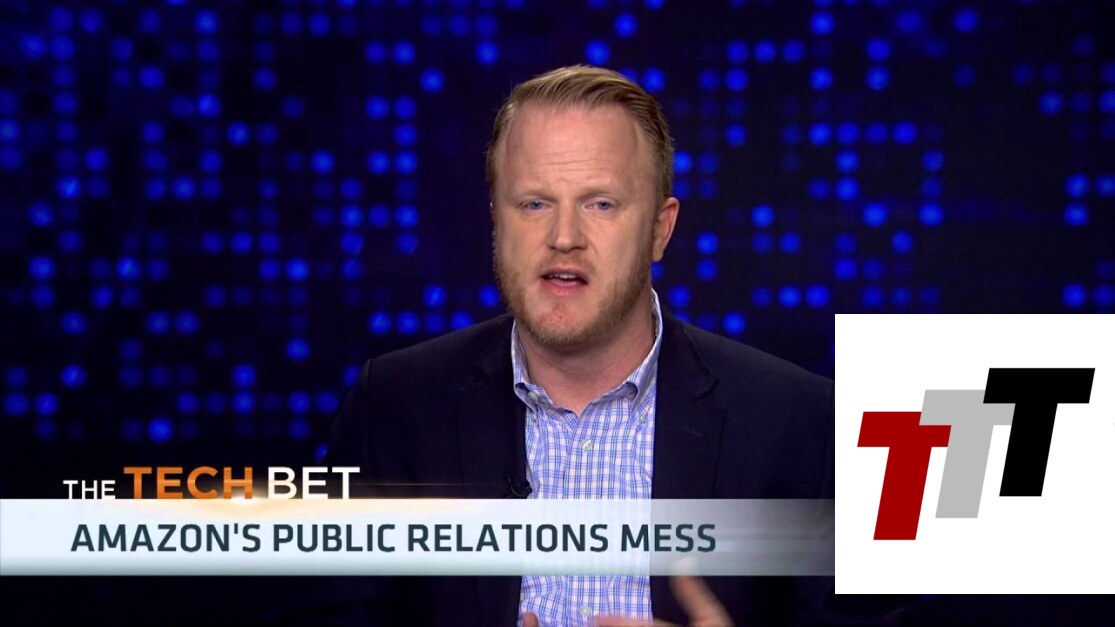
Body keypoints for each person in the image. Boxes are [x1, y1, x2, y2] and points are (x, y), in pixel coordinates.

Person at [323, 65, 842, 626]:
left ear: (660, 229)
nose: (564, 237)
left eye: (601, 204)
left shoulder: (805, 426)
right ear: (497, 219)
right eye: (535, 204)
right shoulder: (391, 408)